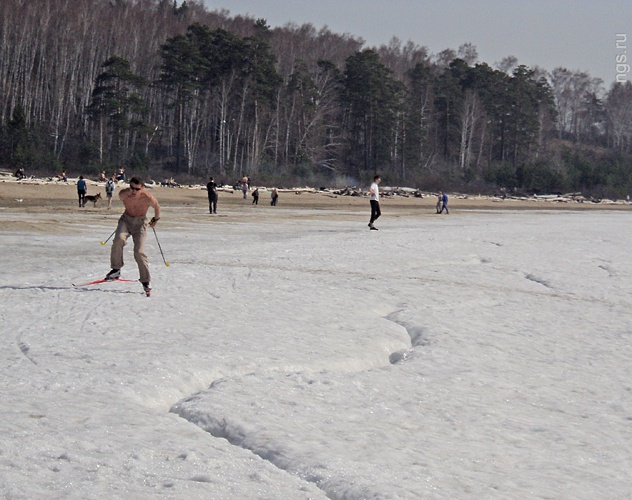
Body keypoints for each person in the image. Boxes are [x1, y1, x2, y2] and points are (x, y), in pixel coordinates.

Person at [105, 176, 161, 295]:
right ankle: (116, 269)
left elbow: (157, 206)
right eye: (131, 188)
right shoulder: (124, 194)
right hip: (126, 220)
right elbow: (123, 197)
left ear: (142, 188)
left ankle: (145, 280)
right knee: (118, 240)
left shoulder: (147, 197)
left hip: (140, 223)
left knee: (139, 251)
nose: (133, 191)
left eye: (137, 189)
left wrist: (155, 219)